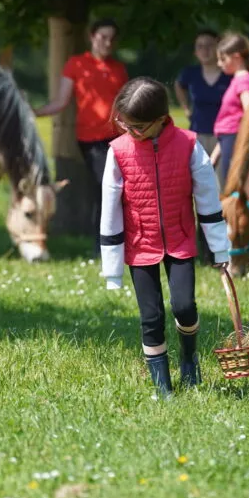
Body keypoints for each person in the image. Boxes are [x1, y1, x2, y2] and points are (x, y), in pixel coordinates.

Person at [100, 78, 230, 399]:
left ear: (161, 119)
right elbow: (110, 210)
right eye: (124, 123)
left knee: (184, 307)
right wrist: (112, 269)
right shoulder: (118, 152)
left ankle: (189, 358)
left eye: (137, 126)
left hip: (181, 239)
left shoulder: (188, 145)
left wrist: (219, 249)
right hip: (139, 245)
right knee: (152, 317)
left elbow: (209, 200)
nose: (128, 130)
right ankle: (163, 387)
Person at [35, 18, 129, 255]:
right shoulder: (76, 64)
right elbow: (60, 102)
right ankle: (101, 245)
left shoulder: (119, 69)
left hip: (119, 139)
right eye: (102, 37)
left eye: (111, 38)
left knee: (118, 189)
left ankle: (114, 242)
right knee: (103, 187)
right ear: (92, 37)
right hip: (91, 139)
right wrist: (33, 112)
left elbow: (125, 107)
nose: (107, 42)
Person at [174, 30, 231, 156]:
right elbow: (179, 85)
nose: (205, 50)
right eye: (200, 46)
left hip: (224, 136)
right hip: (197, 133)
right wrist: (185, 107)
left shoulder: (229, 74)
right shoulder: (190, 73)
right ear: (195, 51)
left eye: (210, 45)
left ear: (219, 48)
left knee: (221, 175)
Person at [211, 32, 249, 184]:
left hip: (234, 139)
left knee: (234, 188)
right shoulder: (237, 79)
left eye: (223, 59)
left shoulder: (243, 80)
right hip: (228, 139)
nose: (219, 63)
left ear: (236, 57)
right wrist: (215, 156)